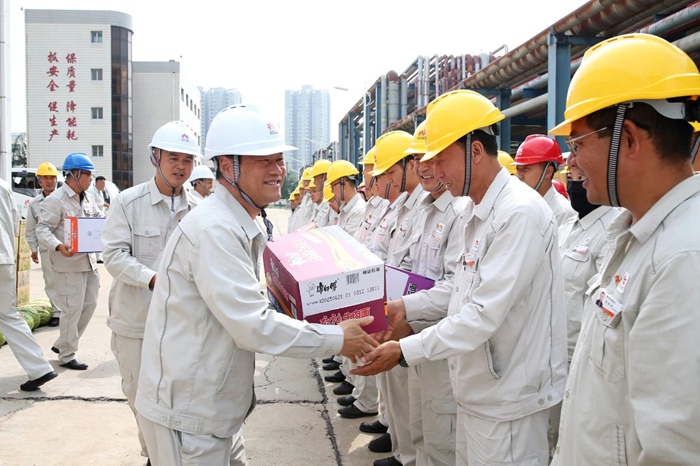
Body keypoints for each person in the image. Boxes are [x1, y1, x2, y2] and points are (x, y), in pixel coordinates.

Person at [134, 104, 377, 466]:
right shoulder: (215, 230)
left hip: (215, 407)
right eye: (264, 160)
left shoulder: (242, 222)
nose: (278, 170)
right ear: (228, 166)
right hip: (189, 415)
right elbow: (253, 325)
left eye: (280, 160)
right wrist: (337, 338)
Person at [354, 90, 567, 466]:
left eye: (441, 159)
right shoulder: (474, 210)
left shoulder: (518, 214)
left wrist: (405, 349)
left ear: (476, 151)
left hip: (508, 401)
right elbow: (458, 291)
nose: (433, 171)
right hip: (476, 388)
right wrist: (402, 308)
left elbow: (482, 313)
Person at [548, 33, 700, 465]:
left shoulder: (684, 260)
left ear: (628, 139)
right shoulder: (636, 236)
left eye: (578, 144)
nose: (572, 164)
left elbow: (674, 451)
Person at [101, 120, 200, 462]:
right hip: (136, 323)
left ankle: (168, 456)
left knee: (178, 398)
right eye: (173, 158)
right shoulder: (128, 202)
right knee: (139, 396)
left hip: (181, 325)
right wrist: (152, 278)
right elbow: (113, 255)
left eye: (187, 160)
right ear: (154, 157)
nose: (180, 167)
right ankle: (154, 455)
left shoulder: (199, 209)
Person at [384, 119, 467, 466]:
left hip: (441, 341)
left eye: (434, 158)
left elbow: (456, 288)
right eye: (419, 159)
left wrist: (404, 307)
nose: (425, 167)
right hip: (415, 333)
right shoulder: (424, 209)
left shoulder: (460, 212)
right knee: (419, 424)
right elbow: (407, 266)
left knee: (441, 434)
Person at [547, 149, 619, 457]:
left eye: (580, 176)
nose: (573, 173)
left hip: (576, 362)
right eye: (572, 177)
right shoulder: (567, 228)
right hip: (548, 356)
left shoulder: (613, 231)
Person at [36, 152, 101, 371]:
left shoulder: (89, 197)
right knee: (72, 309)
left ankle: (62, 342)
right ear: (74, 174)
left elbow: (96, 221)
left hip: (89, 261)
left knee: (90, 305)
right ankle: (66, 354)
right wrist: (58, 245)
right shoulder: (56, 200)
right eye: (88, 175)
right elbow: (42, 229)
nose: (91, 179)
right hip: (68, 264)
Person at [0, 177, 58, 392]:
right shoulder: (4, 186)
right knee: (8, 315)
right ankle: (39, 368)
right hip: (5, 257)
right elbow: (16, 220)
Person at [25, 161, 62, 327]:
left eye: (52, 177)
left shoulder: (63, 199)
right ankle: (57, 312)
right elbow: (30, 228)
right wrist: (33, 248)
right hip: (46, 249)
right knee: (51, 281)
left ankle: (70, 311)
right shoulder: (34, 204)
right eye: (46, 178)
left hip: (65, 248)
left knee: (69, 280)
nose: (49, 181)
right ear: (39, 181)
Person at [512, 134, 577, 226]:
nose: (519, 176)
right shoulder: (521, 205)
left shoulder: (563, 213)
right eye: (518, 169)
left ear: (548, 172)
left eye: (526, 169)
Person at [325, 160, 366, 237]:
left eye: (333, 186)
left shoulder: (358, 211)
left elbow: (346, 241)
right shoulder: (345, 210)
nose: (332, 191)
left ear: (343, 183)